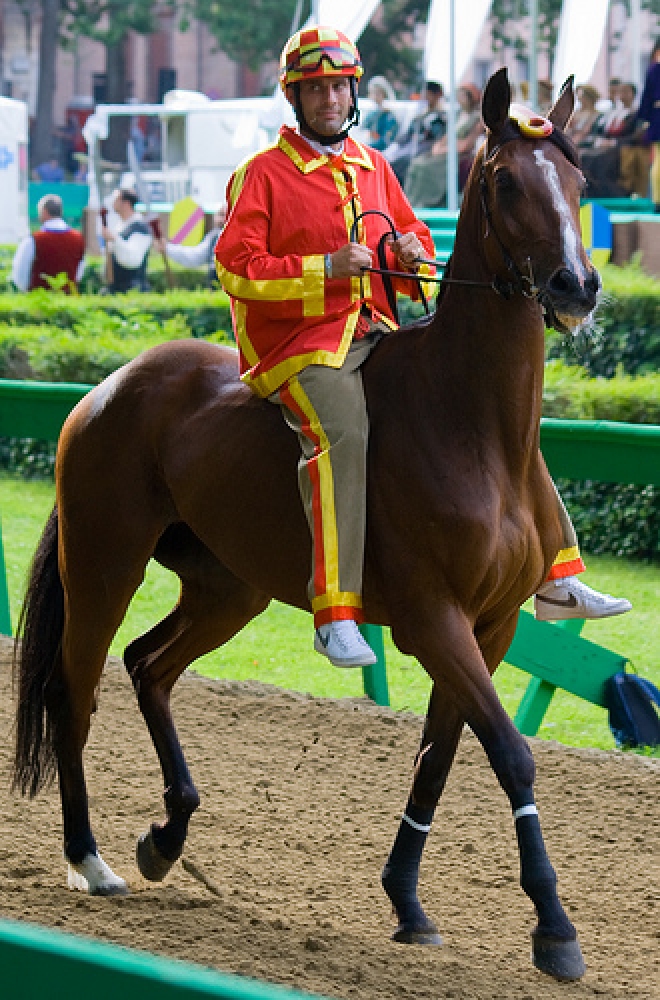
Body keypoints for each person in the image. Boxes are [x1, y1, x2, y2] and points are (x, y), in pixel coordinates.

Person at [215, 26, 631, 668]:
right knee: (344, 434)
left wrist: (410, 252)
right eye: (316, 89)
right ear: (295, 99)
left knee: (489, 413)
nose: (329, 99)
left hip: (374, 334)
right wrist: (324, 269)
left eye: (338, 87)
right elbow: (236, 268)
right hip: (296, 349)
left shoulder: (372, 165)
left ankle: (557, 570)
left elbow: (409, 235)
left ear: (352, 93)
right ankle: (335, 611)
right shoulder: (260, 174)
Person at [404, 83, 483, 208]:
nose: (460, 99)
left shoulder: (477, 118)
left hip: (459, 154)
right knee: (415, 163)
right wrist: (438, 146)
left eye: (463, 96)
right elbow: (447, 135)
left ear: (470, 97)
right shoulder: (457, 115)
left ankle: (426, 201)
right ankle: (410, 202)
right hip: (446, 151)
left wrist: (445, 149)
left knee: (424, 167)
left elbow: (467, 145)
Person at [11, 193, 85, 294]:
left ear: (44, 212)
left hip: (39, 301)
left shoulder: (34, 240)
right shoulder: (78, 239)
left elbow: (19, 274)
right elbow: (79, 273)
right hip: (68, 302)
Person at [384, 81, 446, 186]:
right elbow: (408, 133)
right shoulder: (421, 113)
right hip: (411, 144)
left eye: (429, 94)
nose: (426, 97)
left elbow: (437, 136)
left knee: (401, 161)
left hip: (426, 146)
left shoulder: (441, 116)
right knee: (389, 158)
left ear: (437, 95)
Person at [154, 203, 227, 287]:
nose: (223, 219)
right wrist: (166, 248)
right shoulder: (213, 237)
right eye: (221, 215)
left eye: (227, 215)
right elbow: (194, 256)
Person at [101, 188, 152, 293]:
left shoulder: (140, 227)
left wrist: (115, 239)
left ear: (126, 203)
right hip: (117, 288)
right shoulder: (120, 225)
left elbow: (133, 259)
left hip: (133, 289)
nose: (113, 202)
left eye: (116, 199)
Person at [636, 38, 660, 211]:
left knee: (658, 162)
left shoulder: (654, 69)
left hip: (658, 117)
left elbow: (647, 97)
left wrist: (643, 119)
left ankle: (658, 200)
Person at [362, 75, 399, 151]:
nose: (375, 96)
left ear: (384, 94)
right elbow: (363, 129)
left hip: (382, 152)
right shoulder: (371, 113)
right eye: (373, 93)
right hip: (367, 147)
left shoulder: (389, 116)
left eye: (378, 93)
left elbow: (386, 141)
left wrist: (367, 147)